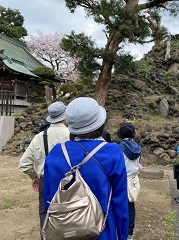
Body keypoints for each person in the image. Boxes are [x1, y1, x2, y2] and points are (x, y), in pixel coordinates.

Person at [43, 97, 128, 240]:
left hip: (65, 230)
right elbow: (120, 200)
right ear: (100, 124)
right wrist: (123, 235)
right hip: (103, 230)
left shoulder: (57, 152)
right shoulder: (112, 153)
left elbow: (50, 198)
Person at [19, 101, 69, 239]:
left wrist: (34, 176)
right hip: (69, 181)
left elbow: (24, 163)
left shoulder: (39, 137)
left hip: (46, 181)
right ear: (65, 117)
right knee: (70, 212)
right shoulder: (72, 135)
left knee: (45, 213)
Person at [117, 123, 142, 240]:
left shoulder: (119, 148)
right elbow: (139, 165)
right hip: (133, 179)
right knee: (131, 206)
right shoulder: (137, 147)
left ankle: (119, 230)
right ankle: (129, 233)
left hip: (121, 180)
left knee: (118, 205)